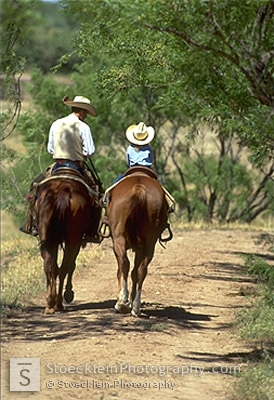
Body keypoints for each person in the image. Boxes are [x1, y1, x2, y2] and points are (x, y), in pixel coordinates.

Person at [20, 95, 102, 239]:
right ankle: (92, 231)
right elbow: (90, 151)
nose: (86, 116)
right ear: (81, 112)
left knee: (34, 187)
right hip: (77, 166)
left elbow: (50, 149)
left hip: (57, 165)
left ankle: (31, 224)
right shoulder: (83, 127)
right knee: (96, 192)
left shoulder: (56, 123)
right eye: (86, 113)